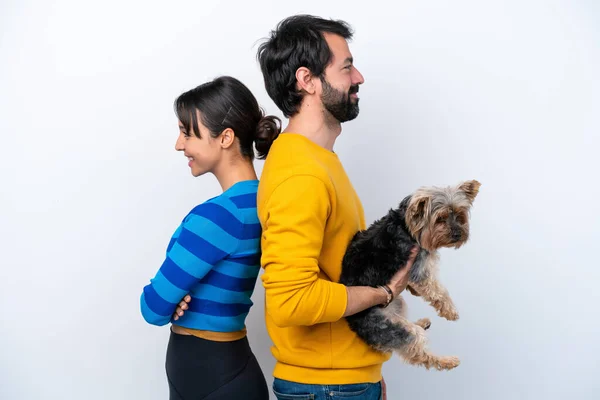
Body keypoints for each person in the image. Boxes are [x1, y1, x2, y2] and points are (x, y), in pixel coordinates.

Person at [254, 15, 419, 399]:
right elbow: (291, 302)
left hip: (340, 381)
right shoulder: (302, 175)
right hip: (328, 387)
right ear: (307, 80)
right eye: (346, 67)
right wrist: (383, 293)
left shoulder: (315, 160)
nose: (358, 76)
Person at [140, 75, 280, 400]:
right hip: (229, 370)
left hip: (209, 375)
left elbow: (153, 306)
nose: (179, 144)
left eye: (187, 132)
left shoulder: (218, 216)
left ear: (225, 137)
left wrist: (174, 301)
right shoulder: (266, 202)